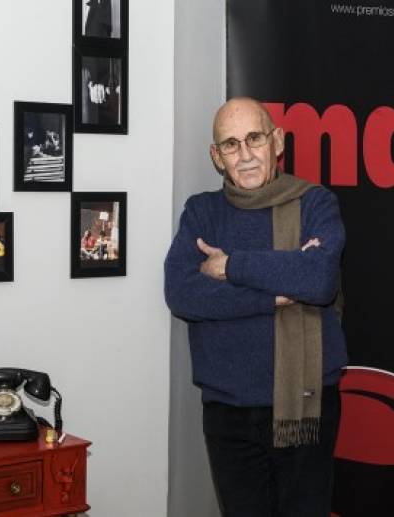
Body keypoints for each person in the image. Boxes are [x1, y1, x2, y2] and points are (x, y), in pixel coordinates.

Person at [164, 97, 347, 516]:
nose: (245, 155)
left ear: (276, 141)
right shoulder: (202, 212)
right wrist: (275, 294)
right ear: (216, 156)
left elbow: (318, 280)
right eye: (230, 144)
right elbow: (183, 293)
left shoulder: (315, 203)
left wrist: (230, 265)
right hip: (229, 412)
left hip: (306, 409)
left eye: (254, 139)